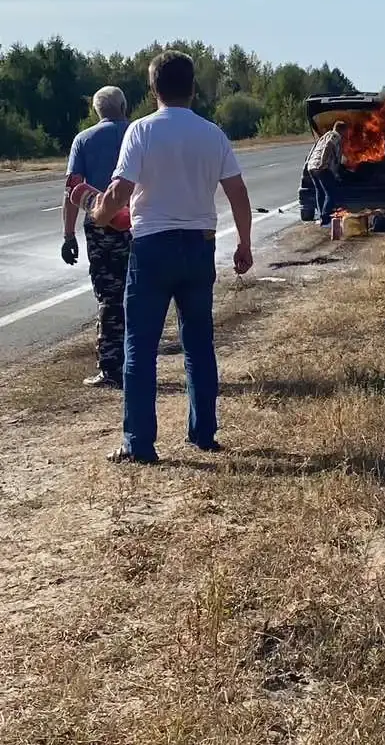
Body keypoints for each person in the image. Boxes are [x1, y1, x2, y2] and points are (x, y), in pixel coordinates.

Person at [90, 50, 254, 465]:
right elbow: (237, 192)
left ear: (153, 90)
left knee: (139, 346)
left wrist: (98, 213)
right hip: (199, 245)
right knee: (199, 344)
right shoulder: (212, 133)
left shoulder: (142, 131)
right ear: (193, 88)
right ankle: (203, 433)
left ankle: (139, 443)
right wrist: (245, 244)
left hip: (152, 247)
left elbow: (120, 192)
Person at [62, 86, 131, 389]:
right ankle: (137, 358)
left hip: (102, 226)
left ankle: (112, 366)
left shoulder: (83, 140)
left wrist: (68, 234)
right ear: (124, 106)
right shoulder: (140, 131)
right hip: (142, 221)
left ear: (96, 112)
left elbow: (73, 191)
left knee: (109, 294)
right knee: (140, 291)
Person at [306, 120, 347, 227]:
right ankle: (326, 219)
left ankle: (321, 218)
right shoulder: (335, 136)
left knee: (320, 192)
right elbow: (328, 146)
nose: (345, 134)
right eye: (345, 131)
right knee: (331, 194)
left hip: (311, 166)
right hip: (322, 167)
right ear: (341, 130)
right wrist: (323, 163)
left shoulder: (324, 136)